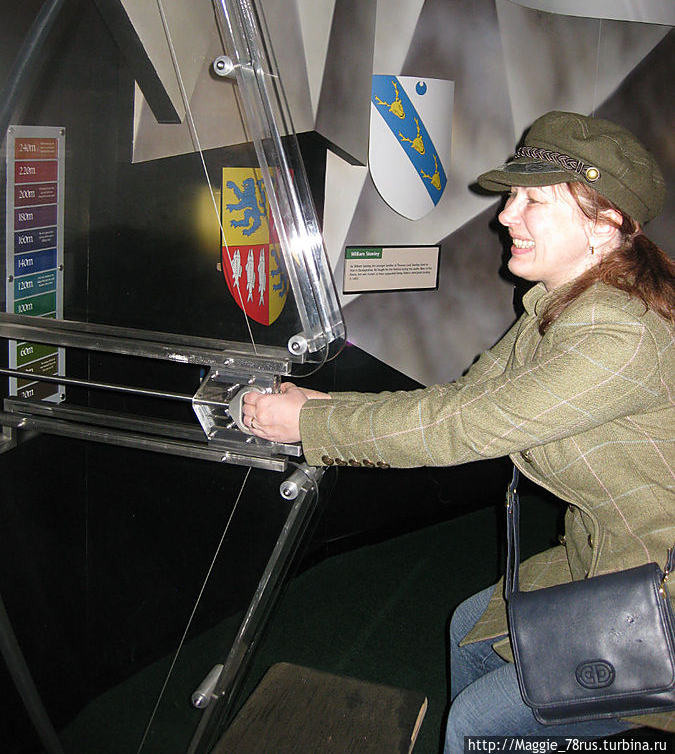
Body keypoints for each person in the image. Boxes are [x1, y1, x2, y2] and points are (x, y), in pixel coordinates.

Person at [243, 111, 675, 747]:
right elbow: (467, 398)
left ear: (606, 220)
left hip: (658, 592)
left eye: (533, 200)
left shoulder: (618, 333)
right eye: (511, 197)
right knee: (473, 626)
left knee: (477, 721)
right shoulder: (567, 303)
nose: (505, 216)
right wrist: (323, 404)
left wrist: (310, 424)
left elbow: (463, 426)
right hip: (609, 560)